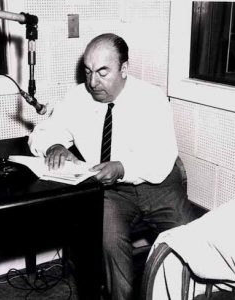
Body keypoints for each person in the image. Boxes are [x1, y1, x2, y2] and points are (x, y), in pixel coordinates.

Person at [28, 33, 195, 300]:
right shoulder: (77, 98)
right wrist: (54, 146)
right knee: (108, 242)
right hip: (110, 192)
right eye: (88, 71)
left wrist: (121, 167)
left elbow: (162, 157)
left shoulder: (152, 98)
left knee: (196, 245)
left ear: (124, 69)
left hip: (159, 184)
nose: (93, 82)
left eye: (103, 72)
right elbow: (42, 133)